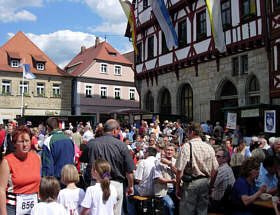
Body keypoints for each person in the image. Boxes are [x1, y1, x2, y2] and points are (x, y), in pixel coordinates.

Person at [81, 119, 136, 215]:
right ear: (115, 130)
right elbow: (129, 171)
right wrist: (130, 186)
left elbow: (83, 160)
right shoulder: (121, 145)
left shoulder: (92, 143)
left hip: (96, 183)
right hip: (114, 184)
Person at [175, 123, 219, 215]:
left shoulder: (186, 147)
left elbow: (180, 170)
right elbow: (215, 169)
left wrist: (177, 186)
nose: (187, 135)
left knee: (187, 211)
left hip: (191, 183)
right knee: (202, 211)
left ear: (192, 132)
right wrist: (211, 185)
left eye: (188, 132)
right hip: (204, 183)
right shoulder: (209, 147)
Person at [0, 126, 41, 215]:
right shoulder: (7, 161)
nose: (25, 145)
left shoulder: (37, 158)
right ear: (14, 143)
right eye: (21, 142)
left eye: (27, 141)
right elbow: (1, 189)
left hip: (34, 206)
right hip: (13, 207)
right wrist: (3, 212)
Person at [127, 147, 157, 215]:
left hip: (144, 191)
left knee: (128, 192)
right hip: (155, 190)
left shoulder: (143, 162)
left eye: (145, 152)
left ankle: (132, 213)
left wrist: (134, 173)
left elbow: (137, 180)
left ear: (147, 153)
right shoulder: (158, 161)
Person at [154, 143, 177, 215]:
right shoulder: (158, 162)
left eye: (171, 150)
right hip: (163, 190)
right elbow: (158, 178)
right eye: (168, 150)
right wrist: (172, 181)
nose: (169, 152)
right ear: (164, 151)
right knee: (170, 205)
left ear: (174, 152)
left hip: (176, 189)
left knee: (171, 207)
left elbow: (179, 174)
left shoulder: (176, 161)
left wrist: (170, 164)